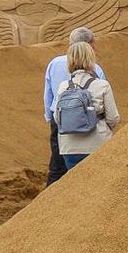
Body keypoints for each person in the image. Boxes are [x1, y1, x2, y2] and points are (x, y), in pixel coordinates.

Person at [43, 26, 103, 185]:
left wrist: (50, 117)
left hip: (60, 117)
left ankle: (48, 204)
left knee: (57, 165)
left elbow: (48, 94)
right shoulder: (96, 69)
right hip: (87, 119)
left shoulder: (54, 63)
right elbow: (101, 98)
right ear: (89, 44)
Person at [50, 41, 120, 173]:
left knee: (76, 186)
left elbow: (57, 117)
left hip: (69, 148)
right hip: (97, 145)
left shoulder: (63, 86)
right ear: (90, 58)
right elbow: (113, 118)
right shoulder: (102, 85)